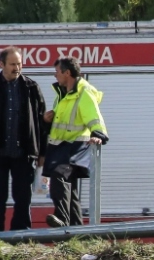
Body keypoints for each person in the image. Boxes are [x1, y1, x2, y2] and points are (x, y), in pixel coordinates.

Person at [0, 46, 48, 232]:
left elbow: (42, 122)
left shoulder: (31, 87)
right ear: (1, 64)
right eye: (12, 64)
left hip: (23, 154)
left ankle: (21, 235)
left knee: (23, 199)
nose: (17, 68)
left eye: (19, 64)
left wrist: (43, 152)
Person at [43, 57, 108, 227]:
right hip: (61, 148)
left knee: (59, 175)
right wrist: (46, 120)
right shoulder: (62, 94)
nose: (55, 75)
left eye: (57, 72)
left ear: (67, 73)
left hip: (76, 149)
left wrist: (99, 135)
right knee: (70, 191)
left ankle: (63, 219)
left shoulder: (83, 92)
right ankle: (79, 233)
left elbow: (94, 116)